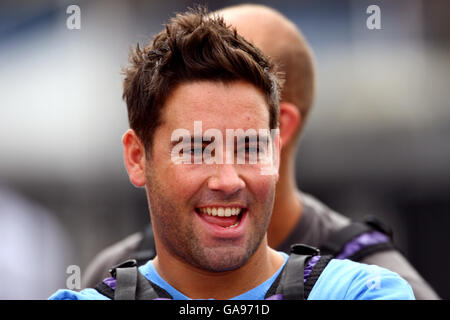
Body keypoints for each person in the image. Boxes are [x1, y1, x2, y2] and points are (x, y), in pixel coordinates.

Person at [50, 8, 414, 300]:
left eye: (250, 147)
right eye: (195, 149)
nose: (228, 180)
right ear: (136, 158)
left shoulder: (363, 292)